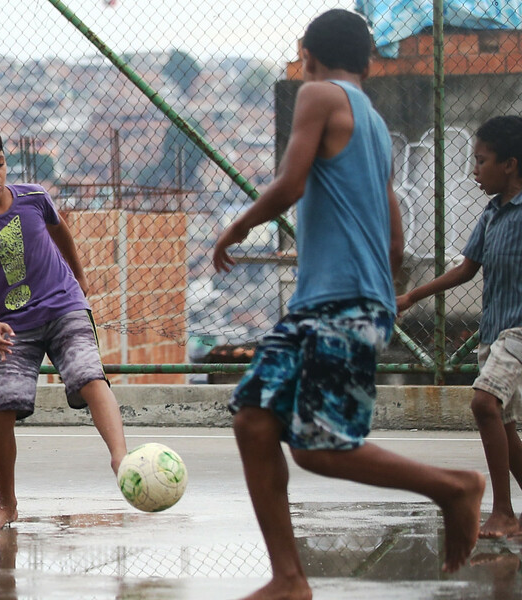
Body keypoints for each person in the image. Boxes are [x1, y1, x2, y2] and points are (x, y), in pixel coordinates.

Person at [210, 9, 484, 598]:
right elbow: (393, 230)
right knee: (254, 418)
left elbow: (290, 182)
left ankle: (453, 486)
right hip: (335, 302)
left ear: (309, 52)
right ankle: (288, 579)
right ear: (367, 58)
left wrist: (234, 230)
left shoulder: (317, 95)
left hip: (338, 302)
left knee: (319, 448)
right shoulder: (376, 124)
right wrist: (383, 294)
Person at [0, 118, 127, 530]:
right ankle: (6, 503)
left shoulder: (34, 197)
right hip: (12, 329)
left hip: (64, 306)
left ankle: (120, 458)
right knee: (1, 410)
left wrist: (79, 279)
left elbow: (63, 237)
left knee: (87, 374)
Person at [398, 115, 522, 539]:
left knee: (484, 403)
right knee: (502, 421)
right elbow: (466, 269)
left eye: (481, 160)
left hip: (519, 332)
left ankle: (504, 511)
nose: (474, 170)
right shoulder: (491, 215)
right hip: (495, 330)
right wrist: (413, 296)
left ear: (510, 164)